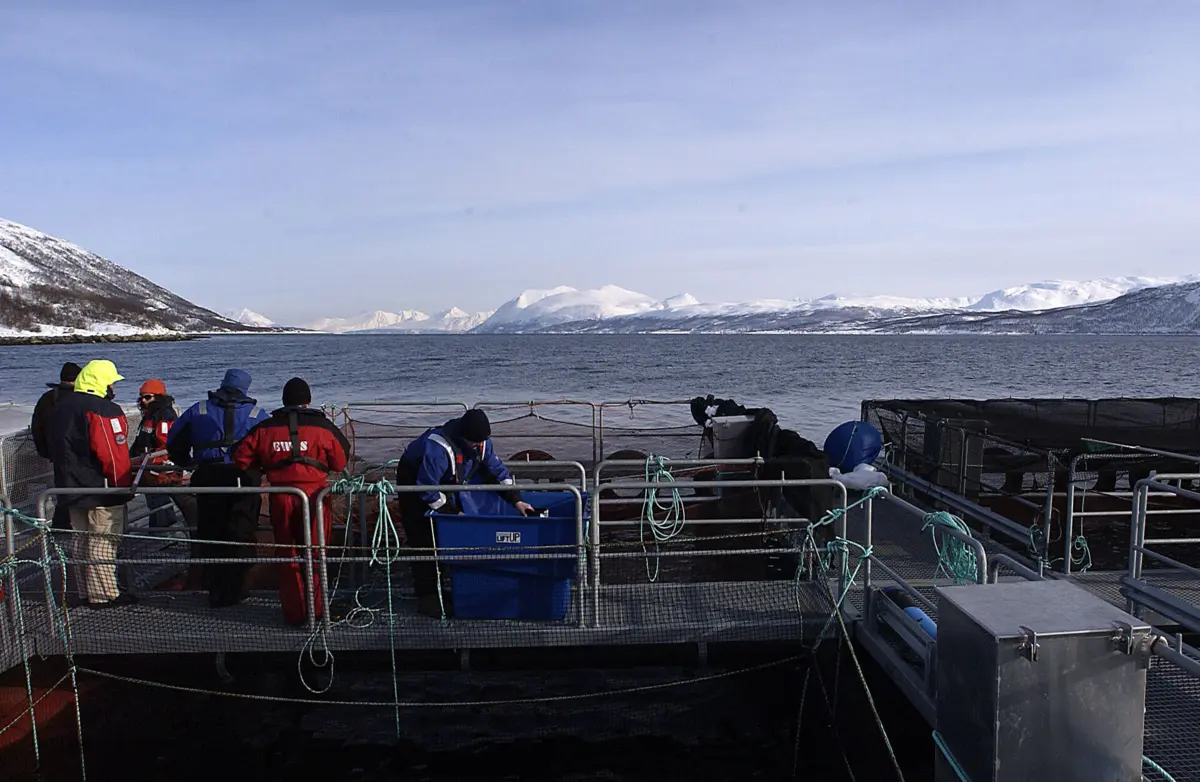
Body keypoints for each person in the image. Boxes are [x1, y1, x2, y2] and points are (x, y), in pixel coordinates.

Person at [232, 378, 349, 625]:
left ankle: (294, 613)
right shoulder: (323, 427)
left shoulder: (265, 428)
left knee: (287, 554)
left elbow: (241, 457)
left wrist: (265, 466)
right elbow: (340, 461)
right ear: (308, 401)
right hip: (316, 497)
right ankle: (318, 612)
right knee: (317, 553)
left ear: (284, 401)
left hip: (282, 496)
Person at [395, 409, 534, 617]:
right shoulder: (437, 447)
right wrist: (454, 514)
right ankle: (427, 597)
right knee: (424, 537)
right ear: (463, 437)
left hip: (446, 479)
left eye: (481, 442)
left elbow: (498, 473)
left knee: (446, 533)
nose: (479, 446)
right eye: (474, 443)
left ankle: (448, 584)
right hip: (415, 479)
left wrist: (518, 501)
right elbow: (427, 489)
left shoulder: (482, 443)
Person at [167, 369, 269, 607]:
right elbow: (267, 449)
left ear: (222, 385)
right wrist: (259, 471)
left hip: (208, 476)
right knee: (242, 532)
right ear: (246, 387)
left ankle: (215, 589)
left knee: (211, 532)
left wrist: (189, 464)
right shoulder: (258, 414)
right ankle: (239, 586)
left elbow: (174, 443)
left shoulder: (198, 409)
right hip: (245, 479)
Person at [47, 359, 135, 608]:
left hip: (70, 486)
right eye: (112, 382)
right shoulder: (104, 410)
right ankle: (104, 594)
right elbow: (111, 453)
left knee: (81, 541)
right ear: (102, 383)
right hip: (102, 489)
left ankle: (86, 591)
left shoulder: (60, 408)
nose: (114, 388)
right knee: (103, 540)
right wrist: (123, 486)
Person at [129, 379, 196, 534]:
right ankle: (163, 529)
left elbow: (165, 442)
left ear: (158, 396)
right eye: (142, 398)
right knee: (156, 500)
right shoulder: (151, 415)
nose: (143, 401)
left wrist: (154, 462)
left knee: (160, 499)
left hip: (158, 467)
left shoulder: (164, 415)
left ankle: (162, 531)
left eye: (148, 397)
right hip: (149, 464)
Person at [31, 361, 83, 530]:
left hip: (58, 453)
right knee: (82, 490)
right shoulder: (81, 399)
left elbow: (37, 427)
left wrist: (46, 452)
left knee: (62, 489)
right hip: (80, 453)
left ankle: (62, 525)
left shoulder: (48, 399)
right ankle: (73, 524)